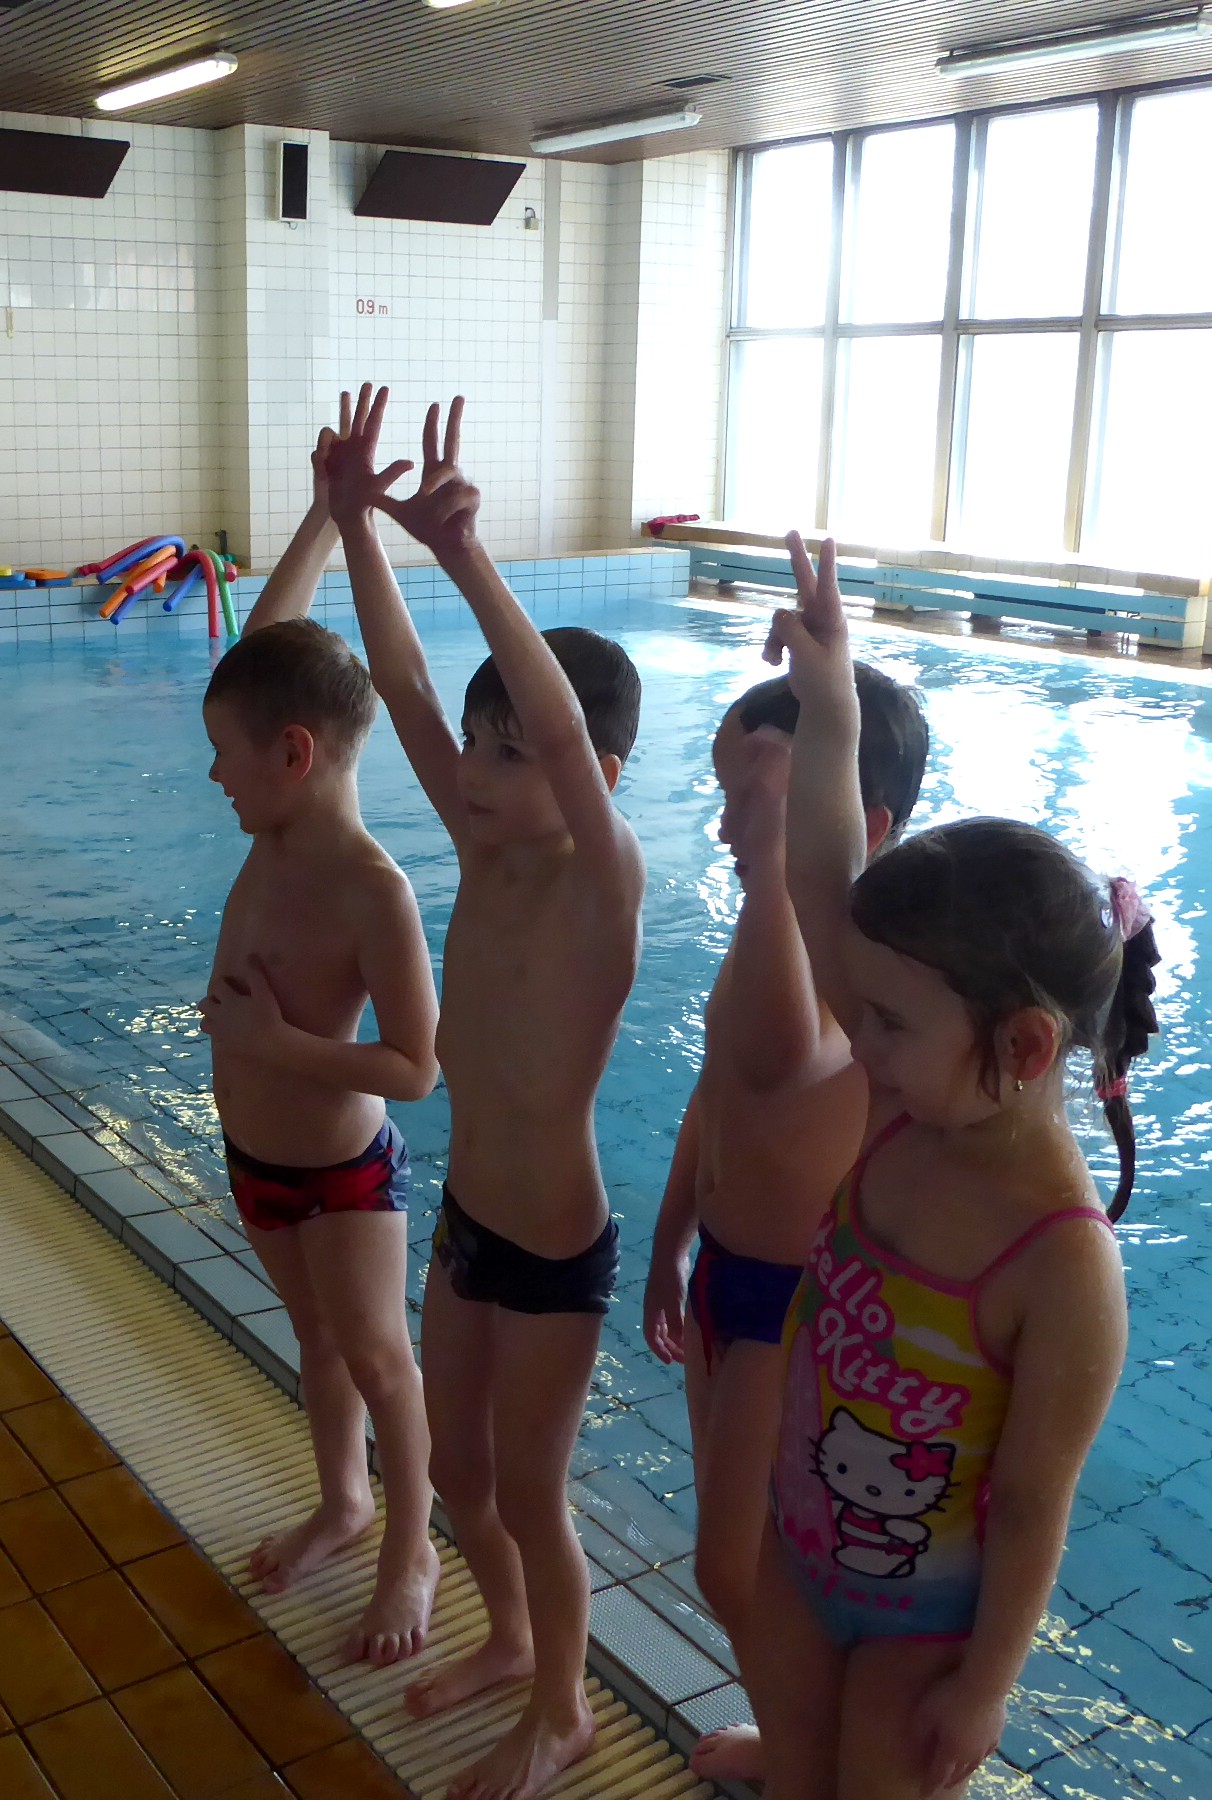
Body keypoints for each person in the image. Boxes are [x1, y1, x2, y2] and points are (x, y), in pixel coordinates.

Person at [741, 532, 1159, 1800]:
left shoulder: (1062, 1264)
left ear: (1022, 1048)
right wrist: (830, 699)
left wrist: (987, 1682)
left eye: (888, 1022)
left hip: (928, 1626)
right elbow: (825, 886)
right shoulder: (903, 1105)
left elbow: (1031, 1502)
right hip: (799, 1551)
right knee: (798, 1775)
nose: (856, 1040)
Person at [323, 384, 645, 1800]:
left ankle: (563, 1708)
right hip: (468, 1218)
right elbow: (399, 682)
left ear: (595, 776)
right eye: (478, 744)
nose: (480, 770)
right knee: (458, 1471)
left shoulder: (604, 883)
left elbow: (561, 740)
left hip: (557, 1245)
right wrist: (354, 527)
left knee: (530, 1490)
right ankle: (511, 1641)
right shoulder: (483, 852)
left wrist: (468, 559)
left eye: (511, 752)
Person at [644, 662, 928, 1784]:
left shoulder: (858, 969)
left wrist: (782, 850)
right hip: (725, 1278)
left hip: (795, 1311)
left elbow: (775, 1051)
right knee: (748, 1566)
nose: (723, 827)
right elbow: (721, 1088)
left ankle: (807, 1762)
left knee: (740, 1568)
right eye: (724, 797)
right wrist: (670, 1235)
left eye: (751, 800)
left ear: (860, 825)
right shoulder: (768, 932)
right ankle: (794, 1740)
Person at [198, 401, 442, 1669]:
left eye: (224, 757)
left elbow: (417, 1067)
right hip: (259, 1158)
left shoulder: (371, 892)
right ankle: (343, 1501)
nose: (215, 777)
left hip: (343, 1172)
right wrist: (321, 515)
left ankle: (412, 1546)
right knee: (317, 1344)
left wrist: (276, 1048)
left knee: (380, 1358)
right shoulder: (279, 817)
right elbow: (263, 653)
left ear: (292, 756)